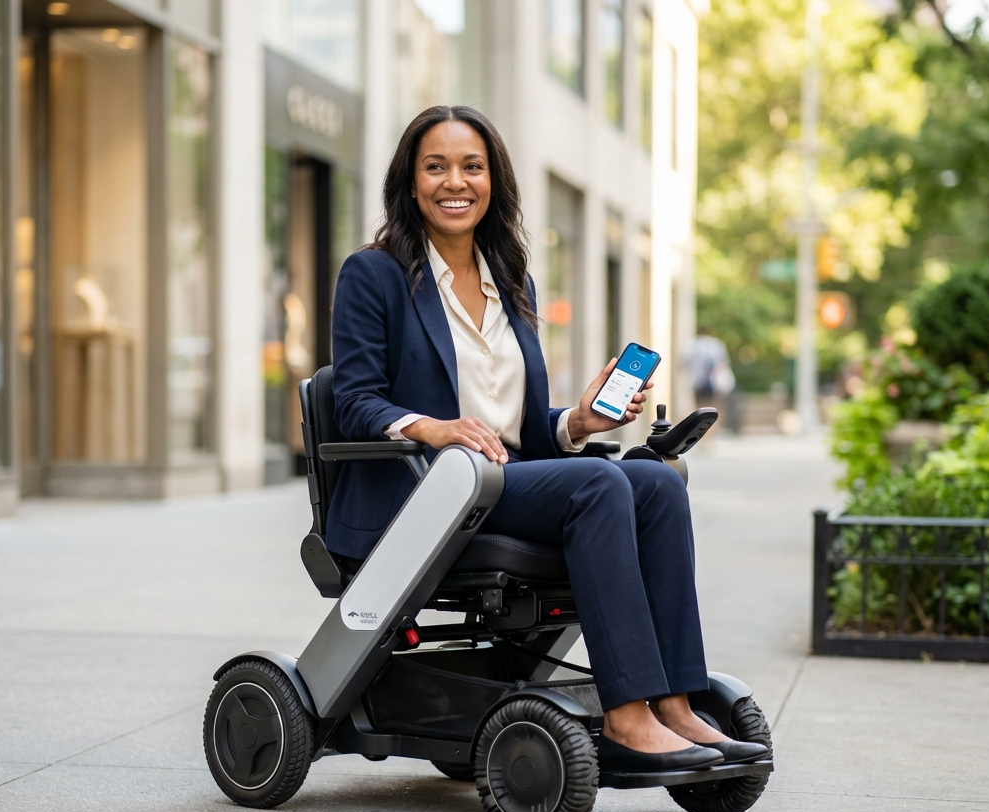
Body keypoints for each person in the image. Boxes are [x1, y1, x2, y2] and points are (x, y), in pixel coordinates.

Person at [328, 106, 767, 773]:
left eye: (472, 166)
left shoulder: (511, 280)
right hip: (429, 495)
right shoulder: (374, 275)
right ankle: (625, 721)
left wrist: (578, 423)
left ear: (493, 181)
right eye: (436, 166)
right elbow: (354, 401)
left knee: (655, 479)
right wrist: (437, 429)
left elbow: (524, 429)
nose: (456, 182)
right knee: (596, 482)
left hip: (507, 480)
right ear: (410, 182)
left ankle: (675, 705)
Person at [685, 326, 738, 433]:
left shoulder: (691, 345)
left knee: (699, 409)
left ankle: (701, 434)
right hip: (714, 383)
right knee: (714, 410)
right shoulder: (716, 345)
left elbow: (684, 364)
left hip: (697, 382)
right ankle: (710, 434)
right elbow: (723, 363)